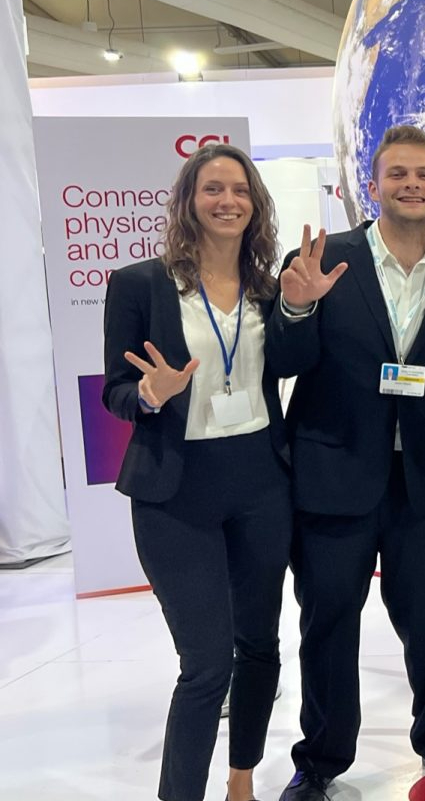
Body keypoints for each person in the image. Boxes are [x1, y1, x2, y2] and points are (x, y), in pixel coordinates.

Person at [267, 125, 425, 801]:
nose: (412, 185)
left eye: (424, 174)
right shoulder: (321, 259)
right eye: (398, 174)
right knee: (327, 620)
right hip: (334, 471)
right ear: (372, 186)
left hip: (420, 474)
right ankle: (322, 760)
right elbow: (281, 360)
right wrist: (297, 305)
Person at [101, 143, 295, 801]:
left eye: (239, 189)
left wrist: (302, 309)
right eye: (212, 188)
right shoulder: (139, 285)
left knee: (261, 648)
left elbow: (293, 362)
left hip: (262, 482)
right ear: (189, 201)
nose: (227, 201)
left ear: (255, 203)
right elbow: (115, 390)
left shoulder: (268, 288)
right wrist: (149, 395)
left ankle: (242, 781)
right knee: (207, 665)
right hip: (175, 489)